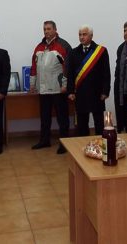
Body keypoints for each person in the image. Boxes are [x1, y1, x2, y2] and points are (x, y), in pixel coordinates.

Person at [29, 20, 72, 154]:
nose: (46, 31)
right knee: (45, 117)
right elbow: (34, 66)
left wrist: (65, 85)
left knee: (62, 118)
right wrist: (32, 84)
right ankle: (44, 141)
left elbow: (68, 68)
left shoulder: (63, 45)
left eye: (48, 29)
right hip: (43, 89)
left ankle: (64, 144)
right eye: (44, 29)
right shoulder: (39, 47)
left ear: (55, 30)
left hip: (58, 89)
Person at [66, 25, 111, 136]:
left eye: (84, 34)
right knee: (82, 124)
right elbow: (70, 74)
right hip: (80, 93)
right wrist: (70, 91)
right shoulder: (73, 52)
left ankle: (101, 143)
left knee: (99, 123)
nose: (82, 37)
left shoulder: (101, 51)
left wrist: (105, 91)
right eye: (80, 35)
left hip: (97, 93)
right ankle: (83, 144)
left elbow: (106, 73)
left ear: (91, 35)